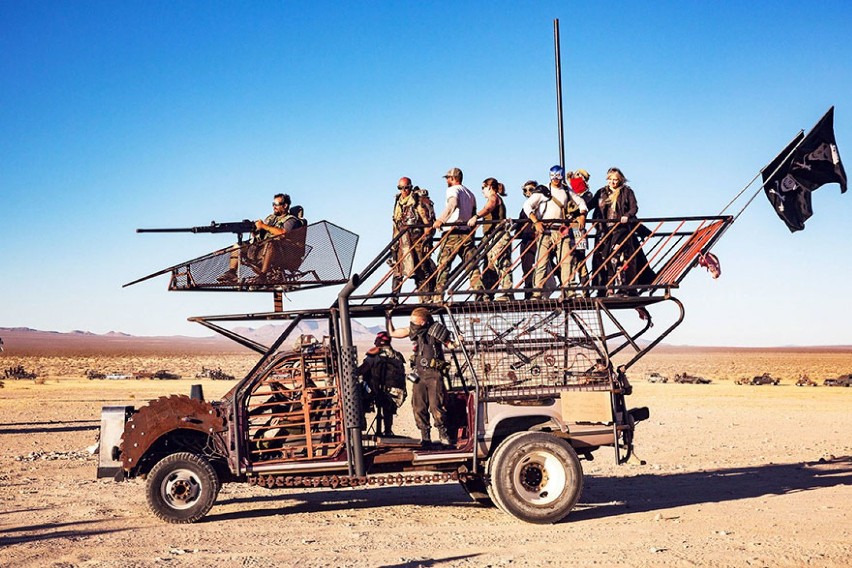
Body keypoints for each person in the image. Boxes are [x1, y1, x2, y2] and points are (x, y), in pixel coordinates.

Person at [388, 307, 451, 446]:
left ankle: (443, 433)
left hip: (434, 373)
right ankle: (425, 437)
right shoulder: (414, 331)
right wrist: (388, 318)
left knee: (436, 406)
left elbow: (451, 343)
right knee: (418, 406)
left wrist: (458, 340)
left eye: (414, 322)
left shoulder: (436, 331)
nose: (412, 325)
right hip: (419, 374)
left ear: (423, 321)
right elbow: (392, 333)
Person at [522, 165, 588, 298]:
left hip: (561, 230)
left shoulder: (566, 190)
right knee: (542, 262)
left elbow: (581, 203)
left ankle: (568, 290)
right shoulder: (543, 190)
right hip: (546, 230)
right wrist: (536, 221)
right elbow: (527, 205)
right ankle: (537, 292)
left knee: (566, 261)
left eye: (558, 176)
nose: (555, 179)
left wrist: (582, 215)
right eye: (553, 176)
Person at [590, 167, 655, 295]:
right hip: (604, 231)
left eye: (615, 180)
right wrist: (577, 212)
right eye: (611, 180)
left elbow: (634, 207)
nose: (613, 182)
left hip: (621, 230)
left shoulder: (626, 192)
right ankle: (604, 289)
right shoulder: (601, 192)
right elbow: (590, 205)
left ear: (620, 180)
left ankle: (623, 287)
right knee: (602, 259)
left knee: (620, 258)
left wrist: (627, 216)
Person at [218, 194, 303, 283]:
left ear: (285, 205)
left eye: (276, 204)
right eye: (273, 204)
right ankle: (232, 273)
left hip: (280, 253)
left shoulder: (291, 220)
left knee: (270, 244)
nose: (274, 207)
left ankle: (263, 275)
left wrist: (263, 226)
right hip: (262, 248)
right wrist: (254, 231)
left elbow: (283, 233)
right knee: (238, 245)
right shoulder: (271, 218)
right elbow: (261, 235)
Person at [432, 167, 483, 299]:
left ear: (453, 178)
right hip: (466, 233)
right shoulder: (470, 194)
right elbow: (473, 213)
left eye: (448, 178)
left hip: (452, 233)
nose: (447, 181)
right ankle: (479, 292)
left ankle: (438, 296)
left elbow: (452, 204)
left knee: (444, 264)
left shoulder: (453, 190)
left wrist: (441, 220)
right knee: (471, 264)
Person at [391, 177, 436, 302]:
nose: (404, 190)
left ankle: (426, 298)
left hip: (417, 240)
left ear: (410, 187)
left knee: (421, 269)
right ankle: (394, 298)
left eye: (406, 188)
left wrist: (427, 240)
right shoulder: (398, 203)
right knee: (398, 269)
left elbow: (427, 223)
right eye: (400, 188)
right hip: (403, 241)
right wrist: (393, 245)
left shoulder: (417, 202)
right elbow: (395, 224)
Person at [468, 178, 513, 300]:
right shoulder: (494, 198)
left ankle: (507, 292)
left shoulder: (494, 197)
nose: (482, 191)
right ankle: (487, 294)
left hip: (498, 235)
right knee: (490, 266)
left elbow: (489, 207)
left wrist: (476, 217)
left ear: (489, 187)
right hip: (491, 236)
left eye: (483, 188)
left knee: (502, 262)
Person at [356, 331, 407, 437]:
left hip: (377, 391)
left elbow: (362, 370)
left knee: (358, 394)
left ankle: (359, 428)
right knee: (387, 409)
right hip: (395, 393)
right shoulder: (398, 355)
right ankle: (388, 430)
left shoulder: (374, 355)